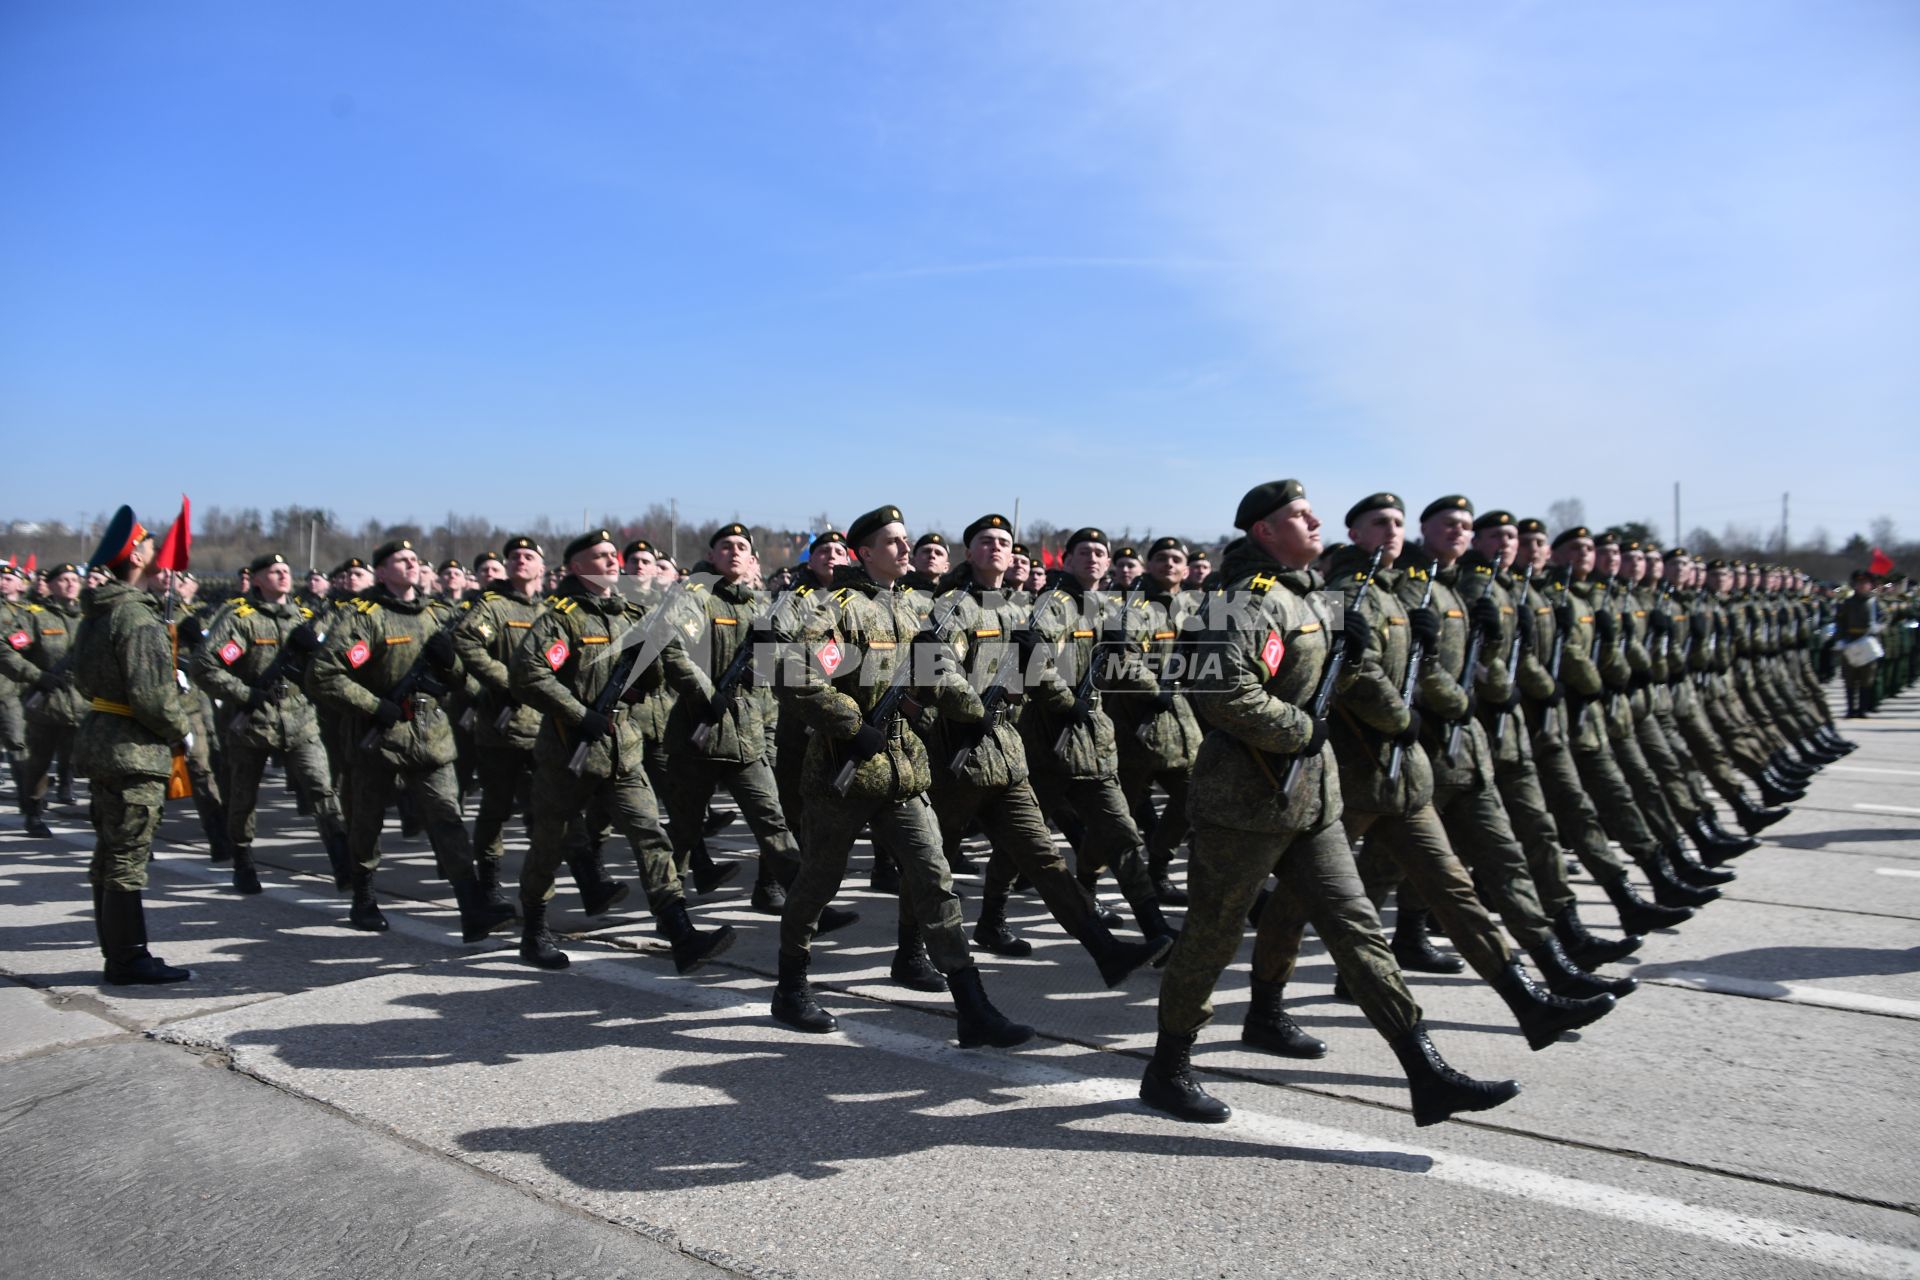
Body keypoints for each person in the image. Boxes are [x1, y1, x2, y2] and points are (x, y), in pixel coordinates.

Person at [1142, 479, 1518, 1127]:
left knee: (1356, 925)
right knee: (1211, 935)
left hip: (1315, 801)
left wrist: (1360, 654)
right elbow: (1223, 695)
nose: (1315, 520)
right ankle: (1168, 1068)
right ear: (1264, 531)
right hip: (1245, 802)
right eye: (1298, 514)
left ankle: (1426, 1069)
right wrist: (1301, 729)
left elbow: (1336, 675)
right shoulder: (1236, 602)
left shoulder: (1309, 595)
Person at [770, 504, 1033, 1048]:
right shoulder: (838, 609)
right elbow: (794, 675)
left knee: (934, 877)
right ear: (864, 553)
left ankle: (972, 1006)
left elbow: (942, 679)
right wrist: (848, 723)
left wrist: (983, 704)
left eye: (905, 539)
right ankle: (790, 986)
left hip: (903, 771)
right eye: (892, 542)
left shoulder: (915, 611)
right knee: (818, 881)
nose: (904, 548)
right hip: (843, 773)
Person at [509, 530, 736, 973]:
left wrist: (701, 693)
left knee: (651, 835)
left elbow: (669, 662)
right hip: (569, 754)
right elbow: (528, 673)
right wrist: (578, 713)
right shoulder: (564, 618)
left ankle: (680, 932)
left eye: (614, 555)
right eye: (600, 556)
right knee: (549, 846)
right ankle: (534, 929)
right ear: (576, 567)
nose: (613, 560)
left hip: (623, 751)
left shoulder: (637, 614)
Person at [308, 538, 514, 941]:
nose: (410, 564)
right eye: (399, 560)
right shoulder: (363, 617)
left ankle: (471, 907)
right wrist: (371, 705)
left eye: (414, 560)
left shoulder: (438, 614)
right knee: (366, 822)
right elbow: (323, 675)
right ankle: (363, 897)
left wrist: (450, 659)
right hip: (378, 737)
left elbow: (461, 681)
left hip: (430, 735)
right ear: (381, 572)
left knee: (448, 819)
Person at [69, 506, 194, 984]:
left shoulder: (97, 613)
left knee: (109, 851)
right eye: (147, 545)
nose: (154, 551)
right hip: (134, 750)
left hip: (103, 740)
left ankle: (118, 954)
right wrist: (178, 724)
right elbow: (150, 697)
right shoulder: (137, 618)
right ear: (137, 557)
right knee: (127, 856)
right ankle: (128, 958)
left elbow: (83, 681)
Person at [192, 551, 349, 893]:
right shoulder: (241, 618)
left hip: (300, 720)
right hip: (251, 723)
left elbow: (333, 666)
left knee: (322, 789)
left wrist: (315, 653)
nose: (283, 575)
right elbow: (205, 665)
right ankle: (243, 860)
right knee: (244, 795)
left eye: (285, 570)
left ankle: (342, 863)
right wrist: (245, 695)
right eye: (274, 571)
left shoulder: (307, 616)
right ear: (258, 579)